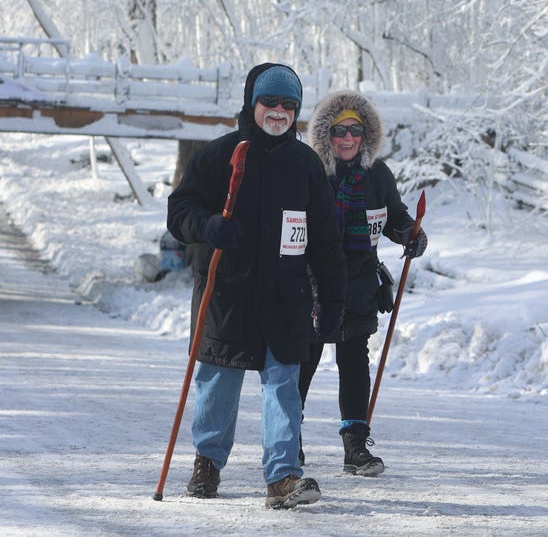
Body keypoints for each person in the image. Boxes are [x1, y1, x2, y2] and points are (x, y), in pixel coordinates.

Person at [167, 62, 347, 509]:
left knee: (284, 384)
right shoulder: (220, 155)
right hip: (226, 292)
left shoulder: (305, 165)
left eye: (289, 105)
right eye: (270, 102)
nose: (279, 112)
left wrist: (333, 298)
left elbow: (325, 239)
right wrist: (208, 226)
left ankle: (282, 475)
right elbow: (179, 212)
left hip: (285, 297)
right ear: (252, 103)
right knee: (218, 382)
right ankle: (207, 462)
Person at [297, 89, 429, 477]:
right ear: (327, 135)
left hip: (358, 285)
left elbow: (395, 217)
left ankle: (355, 445)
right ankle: (289, 439)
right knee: (303, 363)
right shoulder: (312, 172)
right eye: (340, 131)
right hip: (315, 286)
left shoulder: (377, 175)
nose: (348, 138)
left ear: (366, 135)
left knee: (354, 363)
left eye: (356, 131)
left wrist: (410, 234)